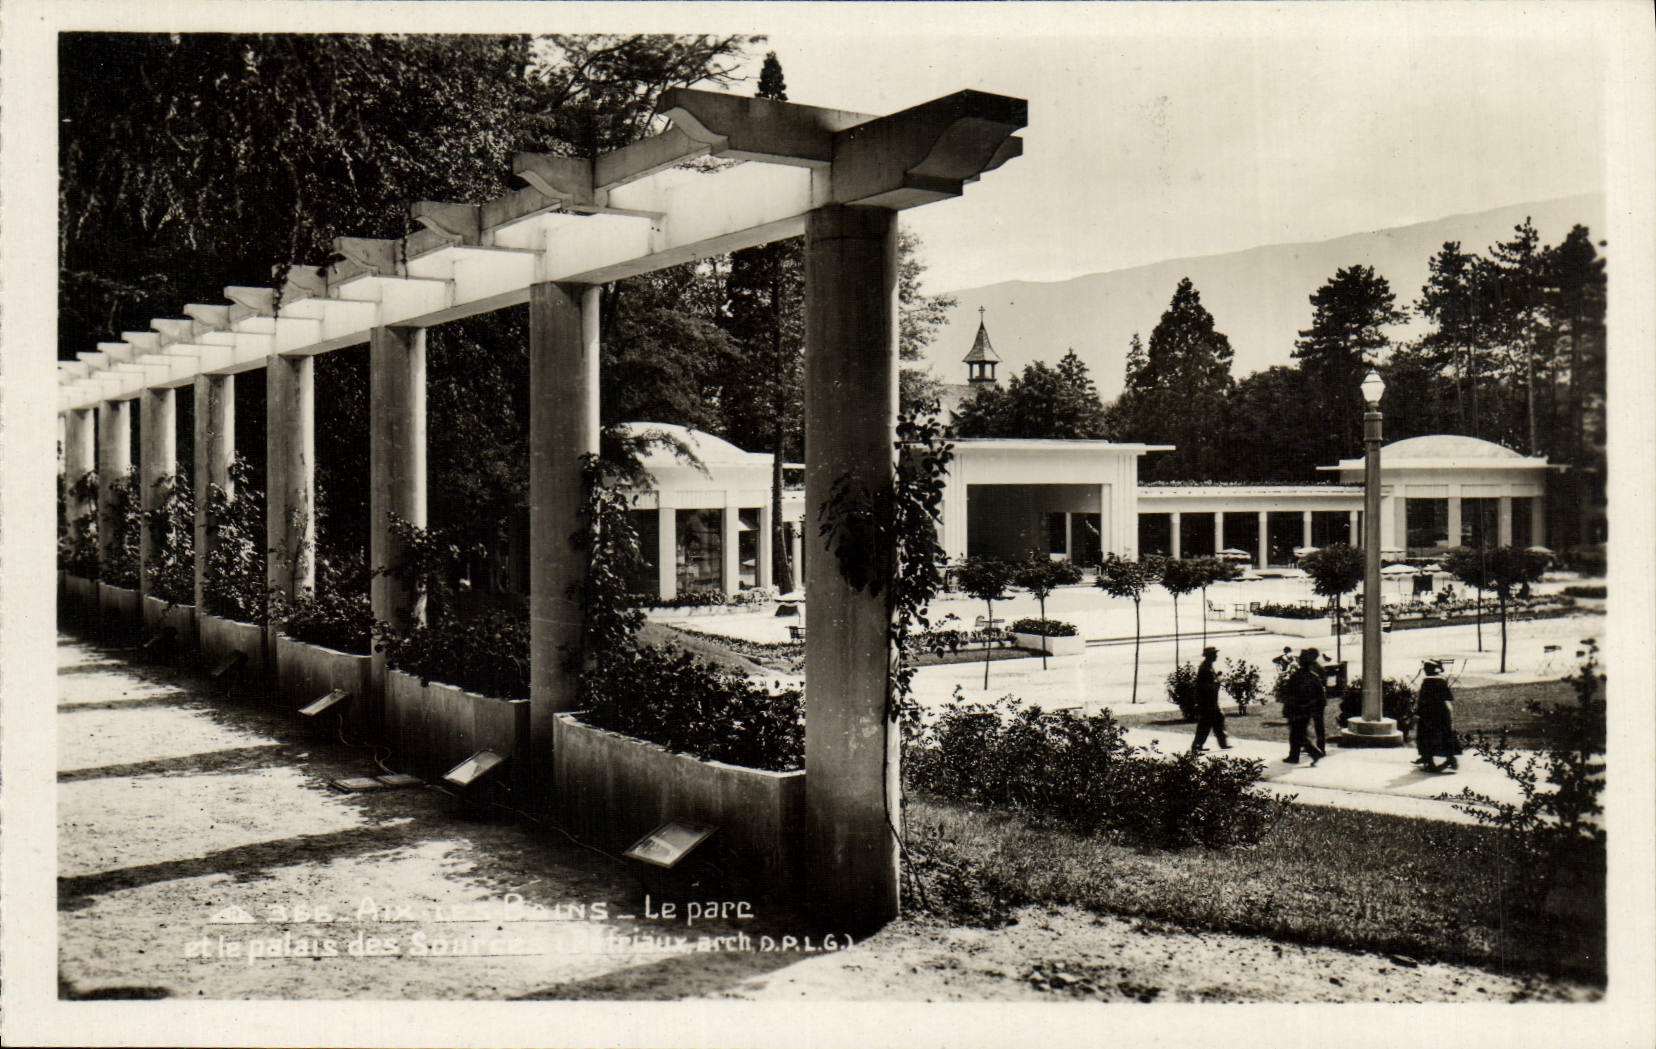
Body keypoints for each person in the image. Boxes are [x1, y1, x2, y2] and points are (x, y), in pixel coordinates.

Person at [1280, 648, 1327, 766]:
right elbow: (1320, 694)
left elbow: (1289, 694)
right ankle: (1294, 756)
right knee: (1297, 733)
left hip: (1296, 710)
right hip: (1307, 710)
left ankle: (1313, 752)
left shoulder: (1296, 676)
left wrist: (1287, 708)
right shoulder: (1313, 677)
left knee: (1297, 734)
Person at [1413, 660, 1460, 773]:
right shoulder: (1442, 680)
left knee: (1426, 735)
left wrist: (1417, 712)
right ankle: (1450, 758)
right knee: (1445, 735)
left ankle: (1428, 760)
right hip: (1442, 712)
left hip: (1428, 713)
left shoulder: (1426, 682)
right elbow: (1448, 697)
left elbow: (1422, 700)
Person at [1190, 646, 1230, 754]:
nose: (1216, 656)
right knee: (1206, 723)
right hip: (1207, 701)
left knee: (1218, 719)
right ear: (1210, 656)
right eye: (1214, 654)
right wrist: (1218, 680)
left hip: (1210, 700)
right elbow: (1207, 685)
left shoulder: (1208, 666)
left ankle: (1222, 743)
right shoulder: (1205, 669)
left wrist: (1217, 677)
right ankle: (1197, 745)